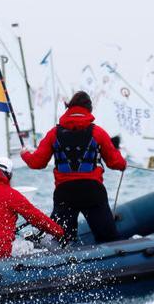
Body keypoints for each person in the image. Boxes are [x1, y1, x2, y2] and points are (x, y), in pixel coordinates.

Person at [21, 91, 126, 245]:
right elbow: (115, 163)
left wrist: (25, 154)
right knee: (108, 239)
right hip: (93, 192)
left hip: (65, 194)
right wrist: (123, 163)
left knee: (61, 241)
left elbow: (37, 163)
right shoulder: (98, 132)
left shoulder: (53, 133)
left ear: (68, 108)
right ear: (89, 109)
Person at [0, 157, 64, 261]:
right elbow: (36, 217)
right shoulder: (10, 194)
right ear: (9, 175)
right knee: (33, 246)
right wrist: (59, 232)